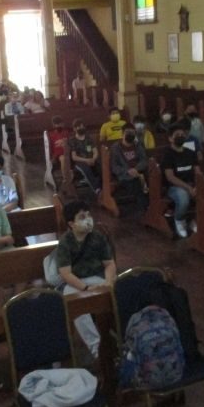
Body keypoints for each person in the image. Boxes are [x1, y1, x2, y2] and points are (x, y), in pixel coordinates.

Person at [56, 200, 116, 359]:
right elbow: (66, 273)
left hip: (97, 277)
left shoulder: (97, 236)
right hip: (74, 283)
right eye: (82, 217)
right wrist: (85, 289)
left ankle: (119, 338)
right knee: (76, 304)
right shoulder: (65, 242)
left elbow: (109, 263)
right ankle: (97, 348)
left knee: (116, 293)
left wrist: (109, 282)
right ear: (71, 224)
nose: (88, 220)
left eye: (89, 215)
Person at [162, 123, 198, 238]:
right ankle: (179, 220)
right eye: (177, 135)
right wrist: (188, 188)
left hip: (191, 184)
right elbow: (170, 177)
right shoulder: (168, 155)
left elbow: (197, 171)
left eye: (182, 134)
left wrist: (198, 185)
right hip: (174, 187)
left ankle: (194, 220)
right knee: (183, 198)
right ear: (170, 138)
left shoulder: (190, 153)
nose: (180, 136)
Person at [110, 123, 149, 213]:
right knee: (137, 185)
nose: (130, 134)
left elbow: (144, 160)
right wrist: (128, 171)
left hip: (139, 172)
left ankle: (151, 208)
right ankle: (144, 210)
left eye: (132, 132)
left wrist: (136, 169)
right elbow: (114, 167)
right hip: (124, 175)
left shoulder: (138, 145)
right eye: (128, 132)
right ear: (122, 134)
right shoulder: (116, 148)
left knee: (152, 180)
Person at [68, 118, 101, 194]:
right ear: (74, 129)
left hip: (91, 160)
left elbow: (95, 151)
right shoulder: (72, 140)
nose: (81, 128)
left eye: (82, 126)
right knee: (87, 170)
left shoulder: (89, 138)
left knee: (100, 168)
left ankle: (103, 188)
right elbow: (74, 157)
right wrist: (86, 160)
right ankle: (97, 190)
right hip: (80, 162)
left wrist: (93, 159)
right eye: (78, 127)